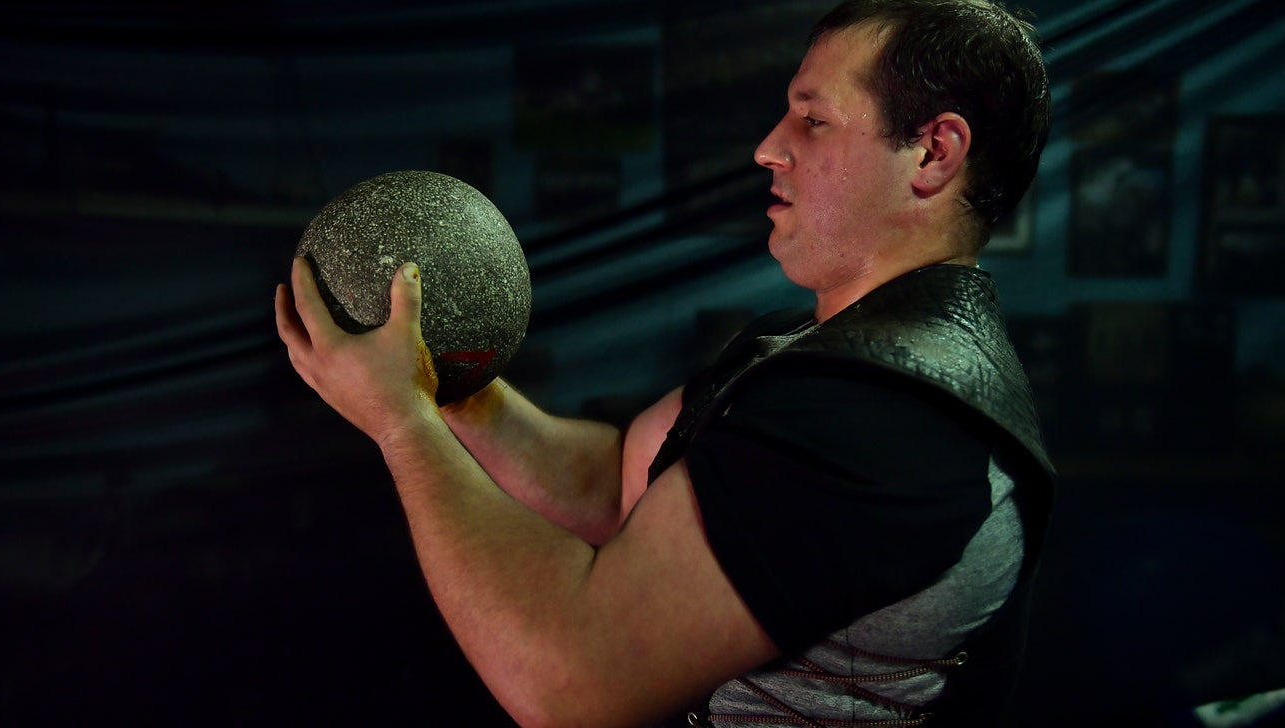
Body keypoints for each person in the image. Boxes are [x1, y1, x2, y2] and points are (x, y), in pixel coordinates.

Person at [275, 1, 1055, 725]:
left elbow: (570, 680)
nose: (768, 147)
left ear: (932, 151)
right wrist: (448, 387)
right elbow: (620, 483)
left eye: (813, 120)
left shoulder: (884, 416)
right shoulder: (815, 349)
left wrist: (402, 424)